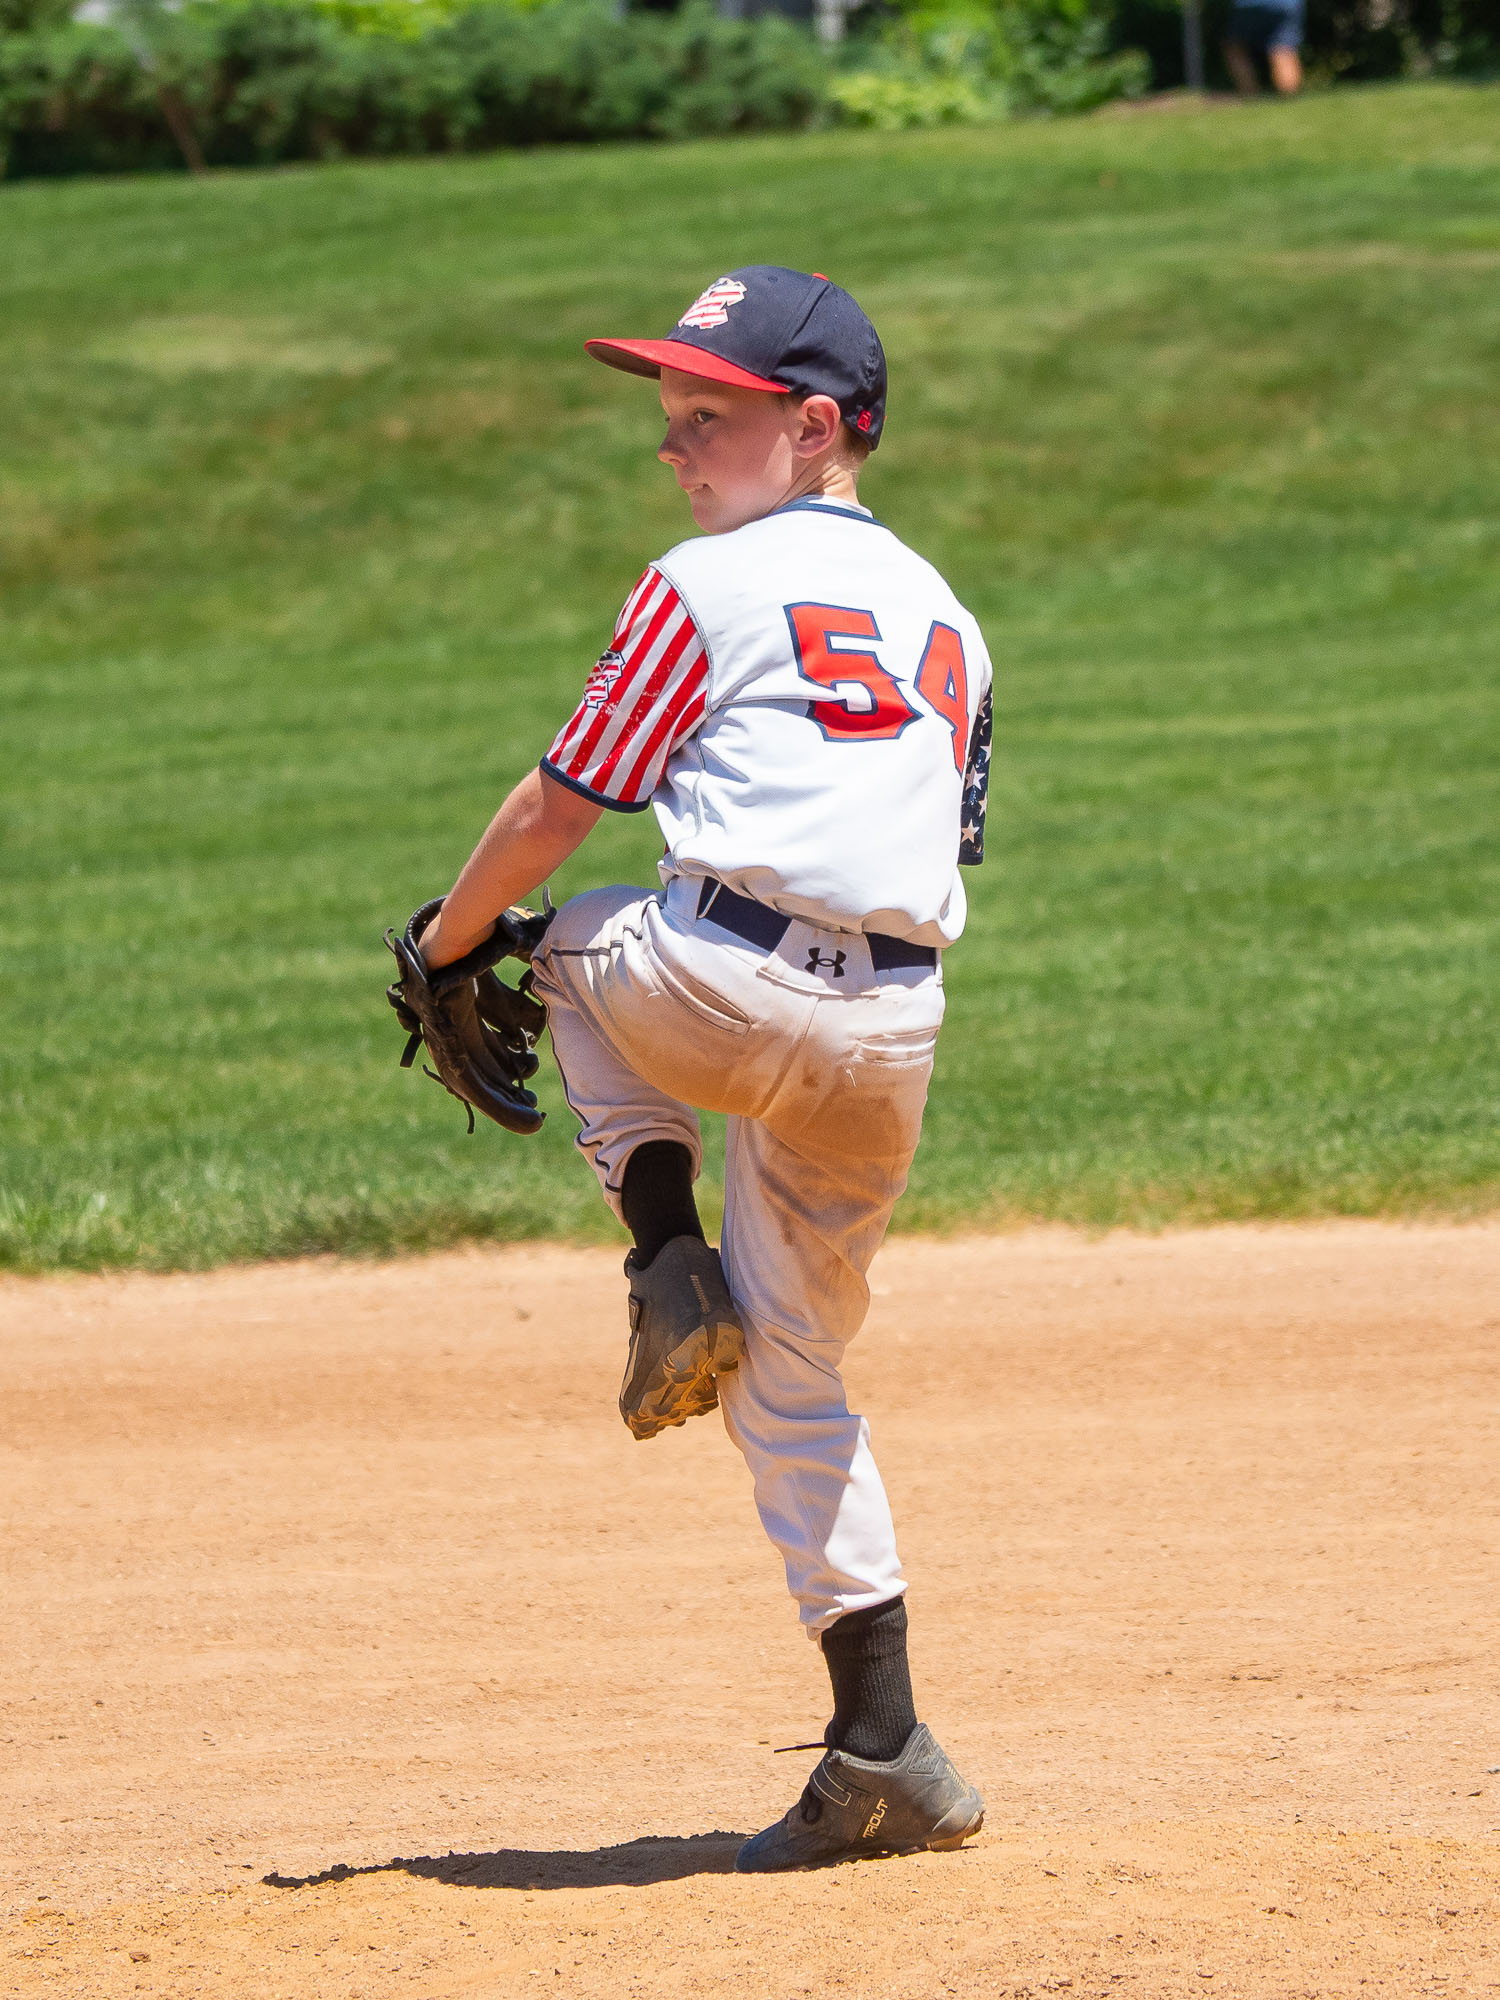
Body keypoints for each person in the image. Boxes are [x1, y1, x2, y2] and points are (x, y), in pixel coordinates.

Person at [413, 266, 990, 1871]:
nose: (674, 448)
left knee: (560, 937)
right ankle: (882, 1749)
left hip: (712, 979)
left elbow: (556, 803)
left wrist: (452, 946)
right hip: (894, 1034)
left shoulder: (699, 584)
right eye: (669, 417)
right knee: (798, 1383)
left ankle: (666, 1251)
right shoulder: (954, 618)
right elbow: (942, 835)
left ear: (815, 430)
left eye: (708, 416)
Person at [1224, 0, 1303, 94]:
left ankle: (1251, 96)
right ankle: (1290, 99)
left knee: (1236, 49)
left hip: (1250, 5)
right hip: (1286, 6)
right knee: (1282, 50)